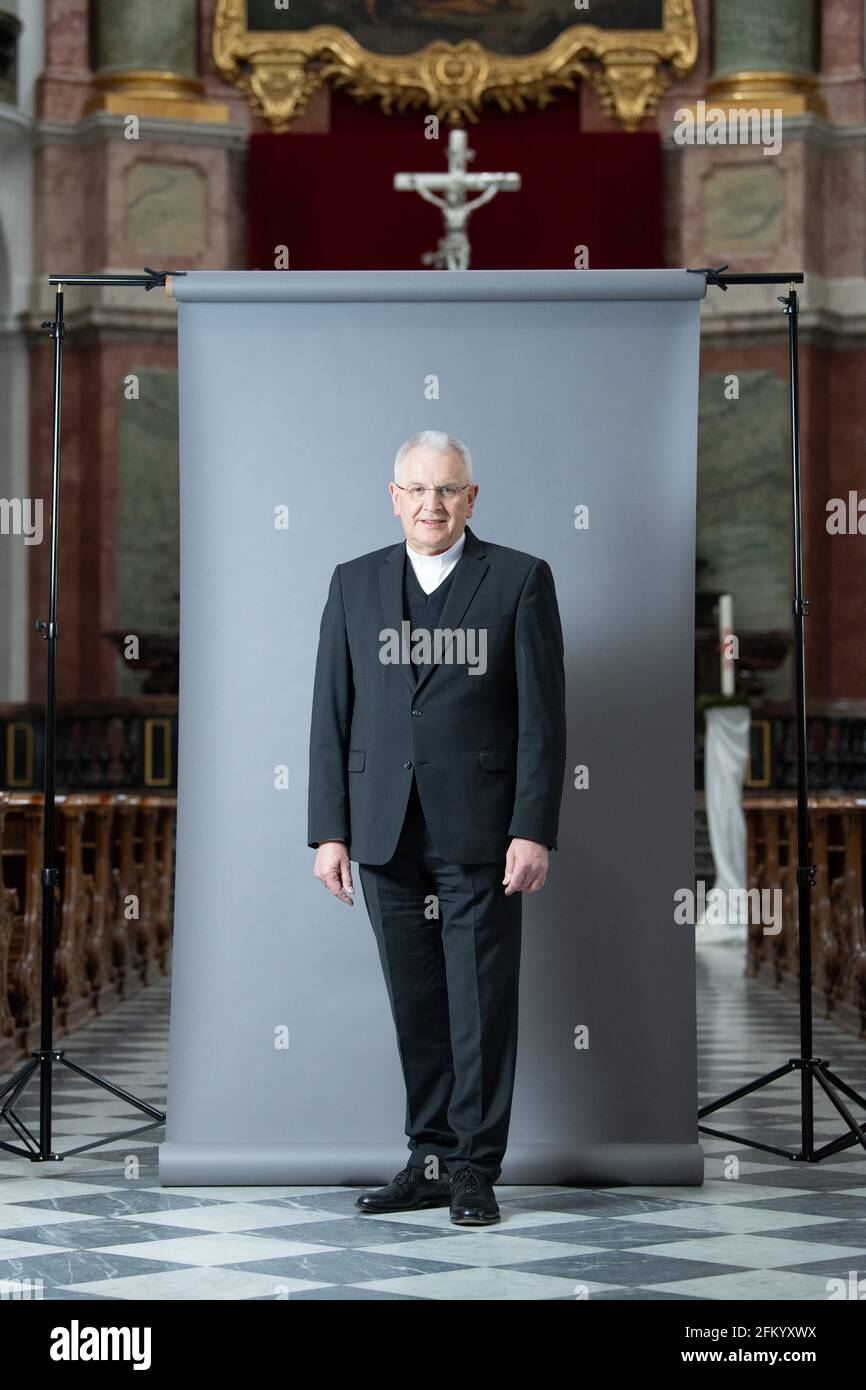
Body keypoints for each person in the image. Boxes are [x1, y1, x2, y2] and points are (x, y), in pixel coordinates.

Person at [308, 430, 567, 1225]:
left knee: (480, 1002)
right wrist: (330, 831)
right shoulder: (354, 583)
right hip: (384, 830)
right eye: (417, 490)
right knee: (416, 1001)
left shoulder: (520, 579)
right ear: (394, 498)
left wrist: (534, 828)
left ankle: (473, 1171)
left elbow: (542, 719)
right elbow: (331, 712)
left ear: (472, 498)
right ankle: (427, 1158)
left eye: (448, 489)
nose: (432, 504)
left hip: (483, 833)